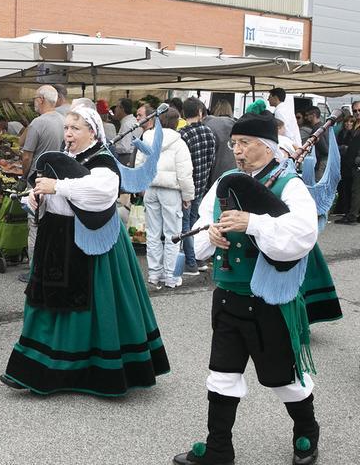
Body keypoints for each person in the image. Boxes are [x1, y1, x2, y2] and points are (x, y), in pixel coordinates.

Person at [172, 104, 324, 465]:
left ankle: (306, 430)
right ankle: (218, 449)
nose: (237, 150)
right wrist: (211, 234)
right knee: (222, 376)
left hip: (270, 299)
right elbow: (201, 239)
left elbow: (303, 235)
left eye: (245, 143)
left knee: (283, 379)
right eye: (234, 143)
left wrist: (253, 223)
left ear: (268, 146)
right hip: (227, 298)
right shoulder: (224, 184)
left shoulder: (289, 184)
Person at [1, 106, 170, 396]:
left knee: (90, 305)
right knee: (44, 300)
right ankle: (30, 369)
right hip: (55, 239)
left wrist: (59, 187)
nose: (68, 134)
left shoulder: (102, 160)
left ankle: (84, 372)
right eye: (66, 128)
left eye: (75, 129)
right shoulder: (65, 157)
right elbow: (47, 192)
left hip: (91, 242)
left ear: (92, 132)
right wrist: (36, 197)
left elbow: (102, 192)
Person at [136, 107, 194, 289]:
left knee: (153, 233)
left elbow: (139, 164)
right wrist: (187, 196)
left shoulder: (147, 137)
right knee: (173, 235)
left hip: (151, 188)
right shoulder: (179, 143)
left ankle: (154, 274)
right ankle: (171, 276)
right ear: (177, 122)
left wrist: (141, 186)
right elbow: (185, 173)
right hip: (171, 191)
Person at [19, 85, 65, 282]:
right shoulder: (64, 121)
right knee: (52, 225)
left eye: (35, 99)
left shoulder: (37, 123)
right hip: (57, 181)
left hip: (38, 181)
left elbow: (27, 156)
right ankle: (49, 267)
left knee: (35, 225)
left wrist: (23, 177)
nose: (33, 102)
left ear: (42, 100)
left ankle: (33, 271)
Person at [179, 97, 217, 277]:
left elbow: (182, 165)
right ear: (200, 112)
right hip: (202, 185)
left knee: (185, 225)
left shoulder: (183, 134)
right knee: (196, 223)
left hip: (187, 187)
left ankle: (191, 263)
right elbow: (211, 160)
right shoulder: (209, 132)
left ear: (182, 114)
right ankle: (199, 259)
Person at [203, 100, 237, 184]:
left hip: (216, 171)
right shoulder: (236, 124)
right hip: (235, 169)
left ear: (216, 109)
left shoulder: (209, 125)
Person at [300, 107, 327, 180]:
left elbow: (324, 149)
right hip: (325, 161)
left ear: (314, 115)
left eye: (307, 115)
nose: (306, 117)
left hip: (321, 162)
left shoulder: (317, 129)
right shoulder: (323, 126)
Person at [111, 98, 138, 165]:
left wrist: (112, 146)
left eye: (117, 106)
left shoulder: (127, 124)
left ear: (122, 109)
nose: (115, 109)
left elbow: (125, 148)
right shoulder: (132, 121)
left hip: (126, 159)